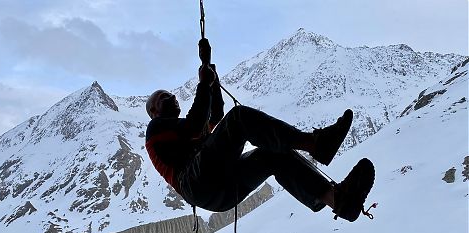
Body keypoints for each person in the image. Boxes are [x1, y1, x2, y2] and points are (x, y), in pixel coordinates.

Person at [145, 39, 375, 222]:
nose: (173, 97)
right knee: (238, 118)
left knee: (272, 154)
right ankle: (316, 144)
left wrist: (208, 69)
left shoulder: (182, 132)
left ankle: (337, 201)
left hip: (216, 192)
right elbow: (196, 124)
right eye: (165, 98)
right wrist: (205, 82)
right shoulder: (156, 130)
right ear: (154, 112)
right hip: (196, 182)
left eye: (172, 95)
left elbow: (214, 117)